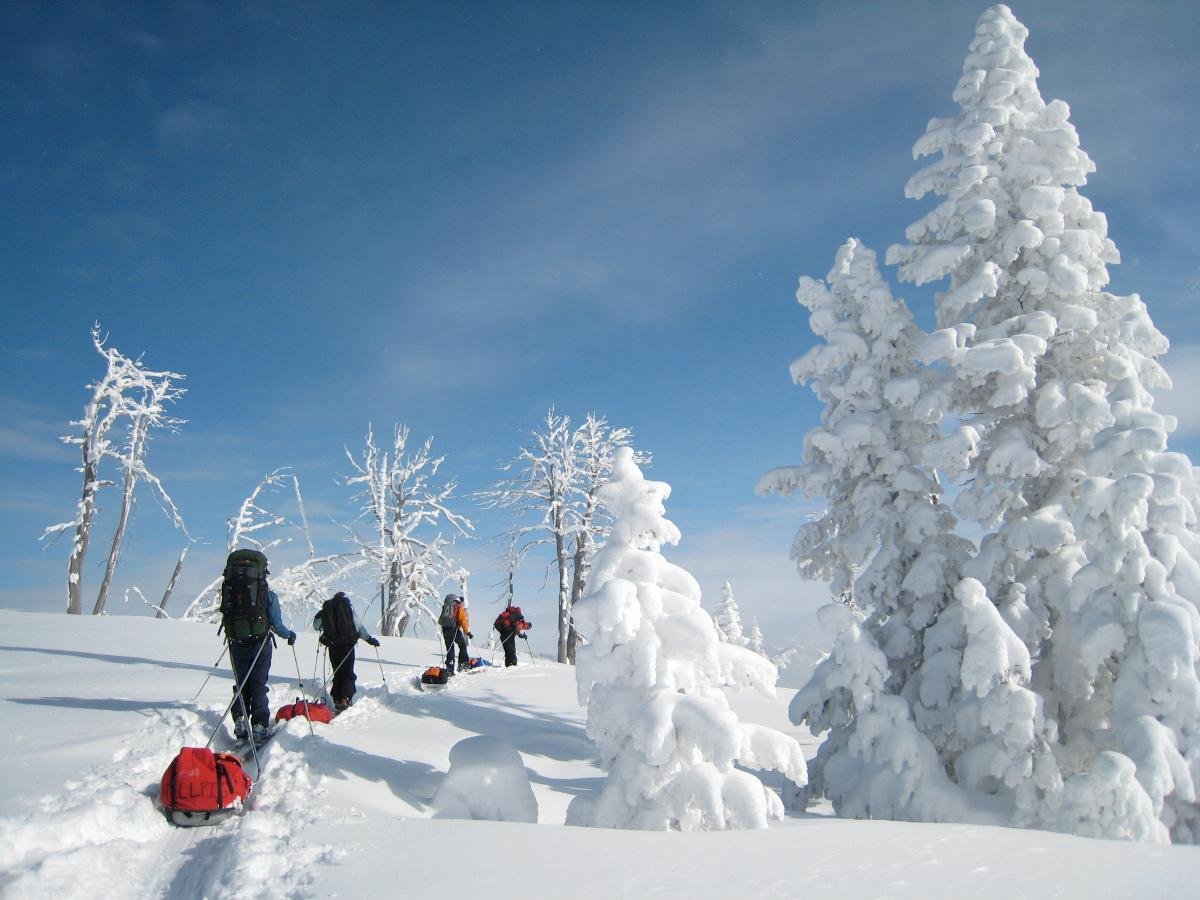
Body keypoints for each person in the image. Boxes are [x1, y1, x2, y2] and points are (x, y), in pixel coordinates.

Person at [219, 549, 296, 743]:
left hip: (236, 641)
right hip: (260, 643)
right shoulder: (267, 595)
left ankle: (240, 721)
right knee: (258, 684)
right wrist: (289, 635)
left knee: (242, 683)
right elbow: (277, 625)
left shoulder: (230, 588)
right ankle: (259, 725)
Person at [313, 591, 380, 711]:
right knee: (348, 672)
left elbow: (316, 626)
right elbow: (358, 626)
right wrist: (369, 639)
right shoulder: (348, 608)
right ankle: (346, 699)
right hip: (348, 645)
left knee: (337, 672)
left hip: (333, 645)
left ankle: (337, 700)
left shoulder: (327, 609)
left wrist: (321, 616)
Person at [438, 593, 471, 675]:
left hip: (445, 629)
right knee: (462, 645)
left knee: (450, 649)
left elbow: (440, 621)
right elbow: (463, 621)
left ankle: (450, 669)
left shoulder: (446, 606)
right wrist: (467, 632)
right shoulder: (458, 607)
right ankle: (462, 664)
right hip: (454, 629)